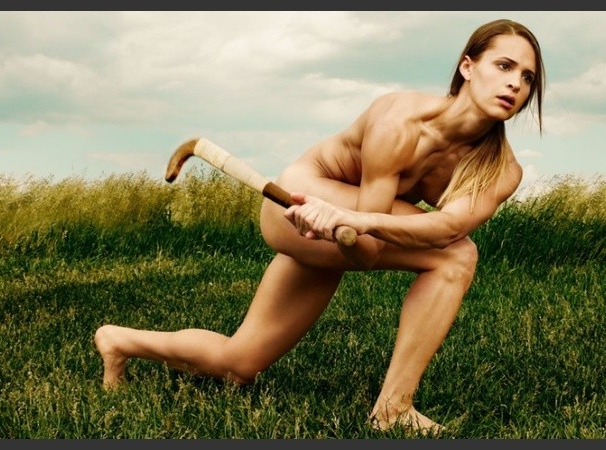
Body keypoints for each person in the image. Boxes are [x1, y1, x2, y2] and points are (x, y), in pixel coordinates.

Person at [95, 18, 545, 435]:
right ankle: (393, 409)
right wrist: (351, 223)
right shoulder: (400, 120)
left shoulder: (501, 170)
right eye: (504, 66)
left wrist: (354, 220)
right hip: (298, 202)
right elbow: (368, 252)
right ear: (467, 67)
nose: (515, 84)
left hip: (346, 222)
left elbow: (444, 227)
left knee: (240, 364)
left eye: (527, 78)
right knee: (459, 256)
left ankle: (119, 341)